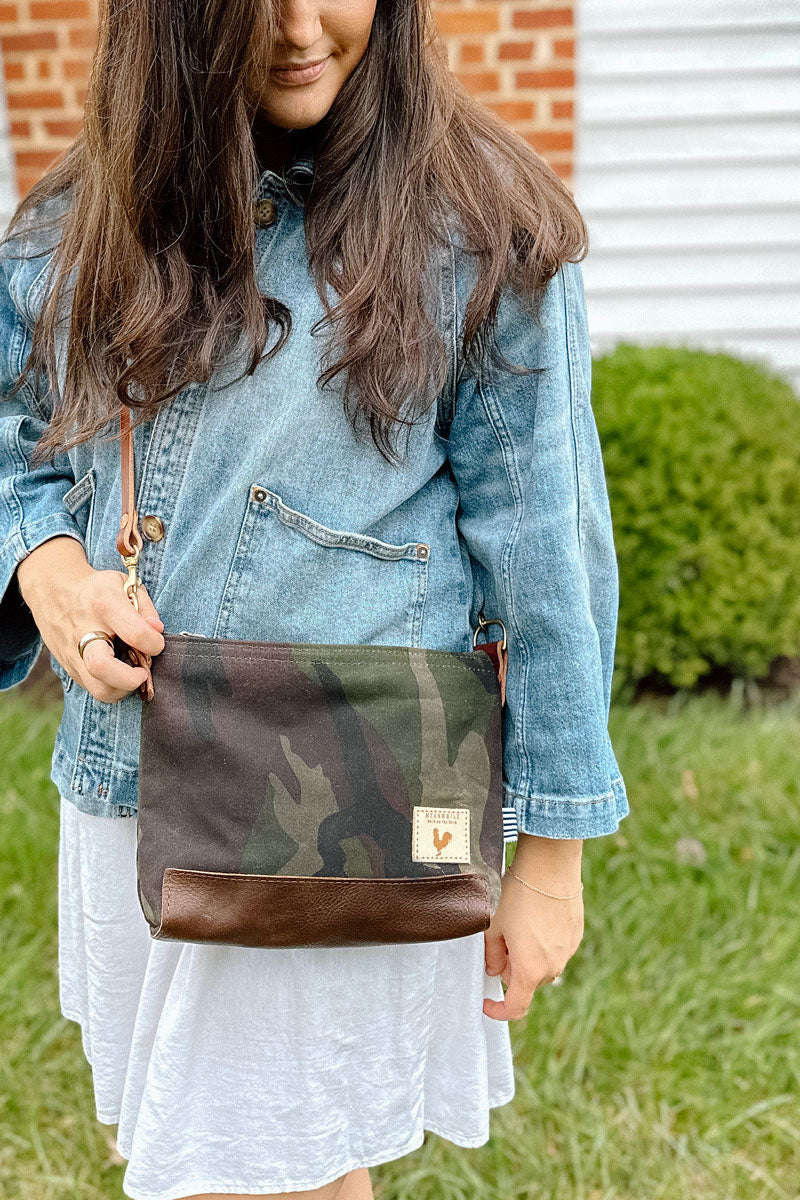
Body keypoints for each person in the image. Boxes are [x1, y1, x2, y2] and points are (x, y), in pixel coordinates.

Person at [0, 1, 629, 1197]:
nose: (298, 27)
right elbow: (12, 431)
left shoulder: (476, 229)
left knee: (292, 1169)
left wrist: (553, 854)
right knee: (193, 1152)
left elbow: (550, 554)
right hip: (134, 794)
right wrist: (50, 568)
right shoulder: (80, 225)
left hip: (346, 809)